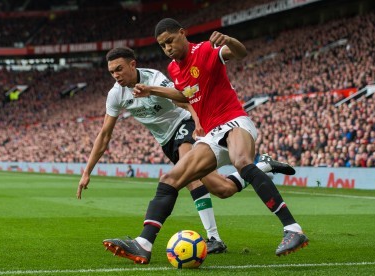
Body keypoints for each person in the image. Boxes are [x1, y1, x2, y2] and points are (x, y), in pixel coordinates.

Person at [102, 19, 308, 264]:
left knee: (241, 161)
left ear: (182, 33)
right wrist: (152, 90)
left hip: (233, 120)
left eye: (170, 40)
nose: (167, 47)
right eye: (162, 45)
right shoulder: (174, 69)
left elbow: (241, 52)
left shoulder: (205, 50)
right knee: (171, 180)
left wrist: (229, 40)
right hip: (211, 134)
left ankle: (293, 229)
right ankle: (144, 244)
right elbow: (183, 94)